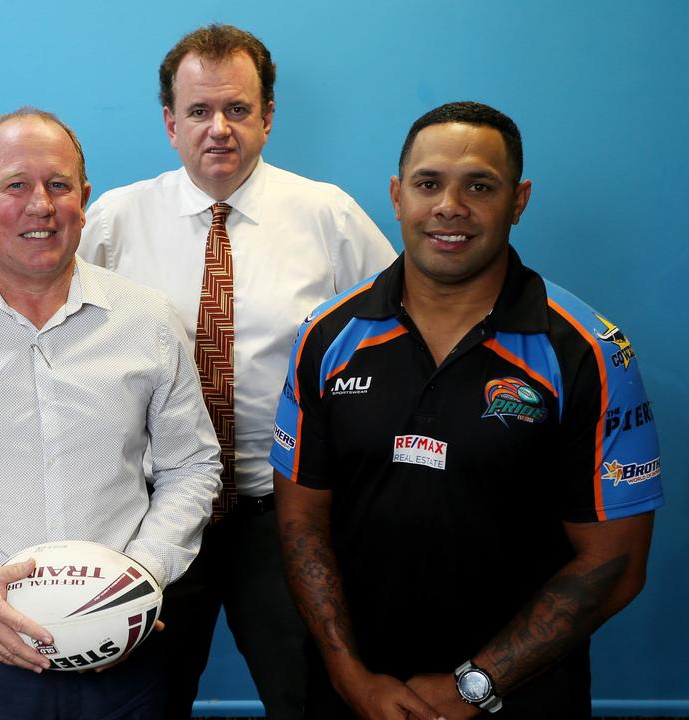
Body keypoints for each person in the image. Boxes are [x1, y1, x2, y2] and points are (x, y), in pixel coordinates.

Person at [271, 102, 663, 719]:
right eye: (428, 184)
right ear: (398, 196)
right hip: (357, 690)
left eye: (480, 185)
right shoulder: (326, 337)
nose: (450, 206)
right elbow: (300, 525)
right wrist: (350, 676)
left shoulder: (588, 350)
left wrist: (476, 685)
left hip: (522, 696)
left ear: (519, 199)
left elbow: (615, 563)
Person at [0, 108, 221, 718]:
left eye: (58, 185)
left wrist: (140, 579)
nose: (40, 206)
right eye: (16, 185)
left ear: (85, 197)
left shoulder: (149, 321)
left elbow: (193, 467)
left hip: (126, 655)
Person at [77, 24, 395, 719]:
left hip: (281, 515)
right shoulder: (115, 221)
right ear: (169, 123)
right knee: (142, 698)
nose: (218, 129)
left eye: (238, 109)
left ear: (268, 117)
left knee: (307, 695)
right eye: (198, 111)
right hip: (151, 513)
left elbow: (399, 335)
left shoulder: (328, 217)